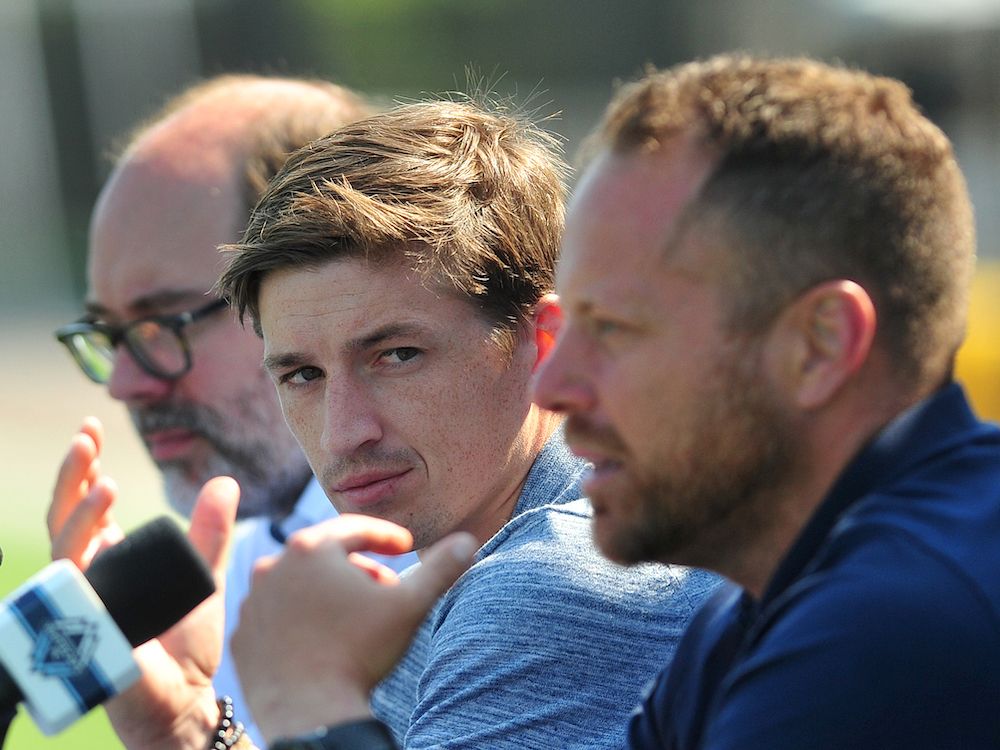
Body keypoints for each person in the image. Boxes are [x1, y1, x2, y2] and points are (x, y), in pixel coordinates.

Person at [229, 54, 1000, 749]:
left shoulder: (892, 625)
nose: (559, 383)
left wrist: (310, 707)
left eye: (619, 330)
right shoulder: (767, 606)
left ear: (820, 346)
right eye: (299, 374)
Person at [80, 97, 720, 750]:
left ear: (544, 344)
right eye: (303, 375)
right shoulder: (475, 560)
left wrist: (304, 695)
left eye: (396, 356)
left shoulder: (551, 582)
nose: (342, 434)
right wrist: (186, 729)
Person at [46, 73, 418, 744]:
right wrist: (188, 729)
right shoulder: (231, 569)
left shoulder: (483, 559)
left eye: (163, 323)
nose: (126, 382)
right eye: (108, 332)